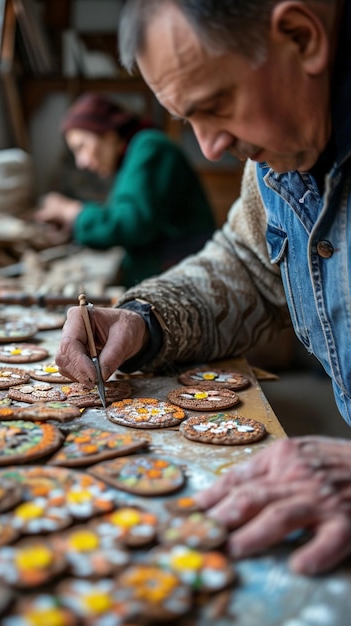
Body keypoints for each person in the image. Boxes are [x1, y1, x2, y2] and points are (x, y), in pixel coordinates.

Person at [55, 0, 351, 576]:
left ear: (299, 37)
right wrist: (143, 318)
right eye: (187, 118)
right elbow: (245, 262)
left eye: (215, 106)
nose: (209, 147)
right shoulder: (280, 153)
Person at [34, 92, 216, 287]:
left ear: (109, 134)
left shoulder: (151, 146)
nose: (81, 163)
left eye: (81, 147)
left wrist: (71, 211)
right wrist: (72, 227)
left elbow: (132, 225)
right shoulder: (132, 157)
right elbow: (120, 217)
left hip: (182, 275)